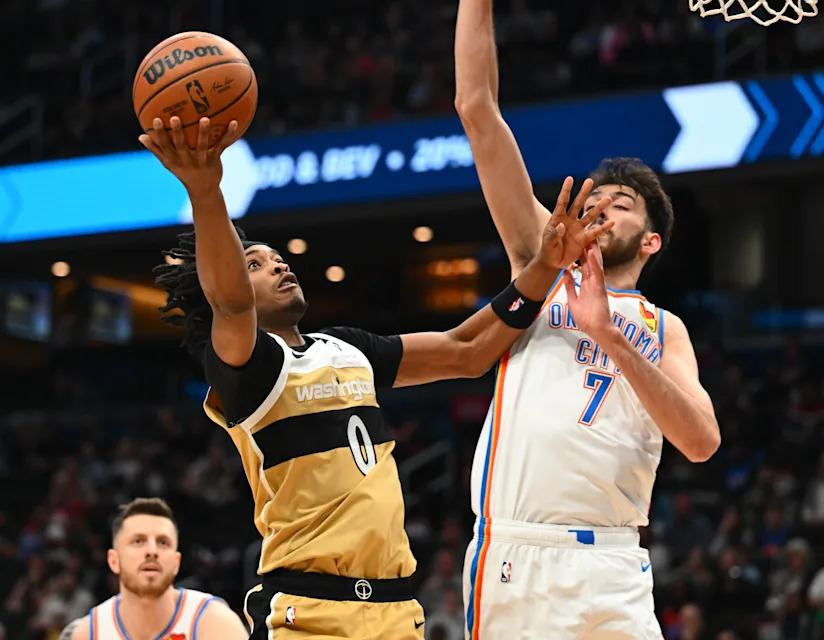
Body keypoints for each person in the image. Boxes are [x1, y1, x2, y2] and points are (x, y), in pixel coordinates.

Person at [140, 115, 615, 639]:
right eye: (255, 263)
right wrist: (206, 190)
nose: (277, 266)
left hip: (396, 612)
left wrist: (547, 266)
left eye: (278, 258)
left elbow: (467, 350)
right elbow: (228, 300)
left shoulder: (346, 348)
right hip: (309, 613)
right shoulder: (247, 372)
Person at [453, 0, 721, 637]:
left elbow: (703, 441)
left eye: (621, 205)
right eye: (592, 200)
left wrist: (608, 335)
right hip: (518, 552)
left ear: (650, 241)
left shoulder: (664, 328)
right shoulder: (540, 268)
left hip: (614, 563)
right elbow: (478, 111)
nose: (600, 209)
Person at [58, 498, 247, 640]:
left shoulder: (214, 623)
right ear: (114, 561)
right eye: (138, 541)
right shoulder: (88, 633)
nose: (151, 551)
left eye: (162, 542)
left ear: (176, 562)